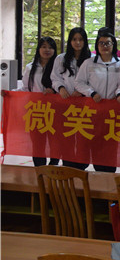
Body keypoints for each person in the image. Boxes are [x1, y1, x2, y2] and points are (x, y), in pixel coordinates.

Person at [74, 31, 120, 172]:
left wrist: (118, 93)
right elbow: (78, 82)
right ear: (97, 45)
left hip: (112, 113)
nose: (104, 46)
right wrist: (92, 93)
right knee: (88, 144)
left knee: (109, 146)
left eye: (108, 43)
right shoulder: (89, 63)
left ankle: (107, 176)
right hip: (92, 112)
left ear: (113, 45)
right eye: (101, 43)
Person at [20, 36, 58, 166]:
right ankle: (40, 170)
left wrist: (54, 92)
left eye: (50, 47)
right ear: (38, 49)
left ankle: (53, 168)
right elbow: (25, 88)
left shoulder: (58, 67)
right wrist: (10, 93)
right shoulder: (30, 67)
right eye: (44, 47)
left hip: (54, 110)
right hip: (36, 110)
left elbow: (64, 87)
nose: (47, 50)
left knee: (55, 141)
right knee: (37, 142)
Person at [51, 27, 90, 99]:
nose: (77, 42)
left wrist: (83, 91)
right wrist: (61, 88)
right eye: (74, 39)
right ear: (70, 41)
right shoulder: (61, 58)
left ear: (85, 41)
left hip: (86, 99)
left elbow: (94, 81)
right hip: (66, 98)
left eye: (80, 39)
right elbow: (55, 78)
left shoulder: (91, 59)